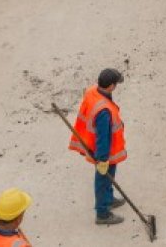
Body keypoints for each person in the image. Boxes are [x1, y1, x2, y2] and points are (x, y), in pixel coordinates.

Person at [69, 68, 127, 226]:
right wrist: (102, 159)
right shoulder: (103, 112)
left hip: (98, 146)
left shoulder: (92, 91)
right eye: (116, 84)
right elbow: (103, 138)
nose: (116, 87)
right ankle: (102, 213)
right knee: (102, 180)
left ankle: (109, 199)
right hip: (105, 152)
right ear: (110, 86)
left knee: (108, 178)